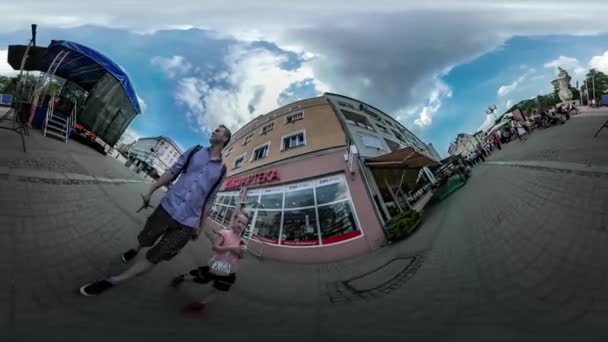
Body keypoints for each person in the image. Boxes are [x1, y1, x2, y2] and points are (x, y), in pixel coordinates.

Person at [79, 125, 232, 296]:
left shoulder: (221, 170)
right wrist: (151, 190)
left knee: (157, 256)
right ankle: (136, 249)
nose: (213, 131)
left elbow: (209, 200)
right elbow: (172, 171)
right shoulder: (195, 151)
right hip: (167, 207)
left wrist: (200, 226)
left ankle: (113, 281)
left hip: (186, 224)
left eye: (218, 130)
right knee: (147, 236)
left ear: (225, 139)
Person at [171, 211, 248, 316]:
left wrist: (241, 253)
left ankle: (200, 304)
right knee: (201, 279)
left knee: (219, 289)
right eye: (239, 221)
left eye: (243, 224)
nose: (240, 225)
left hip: (230, 270)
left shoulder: (242, 241)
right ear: (233, 221)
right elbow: (215, 247)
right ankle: (181, 278)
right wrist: (232, 248)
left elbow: (241, 256)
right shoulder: (225, 233)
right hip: (217, 265)